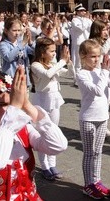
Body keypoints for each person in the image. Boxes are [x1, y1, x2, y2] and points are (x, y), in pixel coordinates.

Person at [0, 69, 67, 200]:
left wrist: (27, 105)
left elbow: (58, 145)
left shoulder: (24, 130)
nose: (11, 110)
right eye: (4, 105)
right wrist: (14, 109)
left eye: (13, 104)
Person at [76, 39, 110, 199]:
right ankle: (88, 184)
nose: (97, 60)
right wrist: (104, 72)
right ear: (83, 56)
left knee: (99, 151)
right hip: (88, 118)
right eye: (93, 56)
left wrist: (109, 71)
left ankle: (96, 180)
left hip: (103, 117)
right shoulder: (82, 74)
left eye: (98, 56)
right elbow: (97, 90)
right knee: (89, 152)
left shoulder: (100, 71)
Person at [30, 37, 70, 180]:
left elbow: (67, 74)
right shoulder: (35, 65)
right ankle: (45, 166)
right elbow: (47, 75)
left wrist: (69, 64)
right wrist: (62, 62)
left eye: (55, 51)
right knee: (43, 132)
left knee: (53, 131)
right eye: (52, 51)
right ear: (42, 52)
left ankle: (52, 164)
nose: (54, 53)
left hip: (53, 99)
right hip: (41, 100)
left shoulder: (52, 64)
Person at [0, 17, 34, 88]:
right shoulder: (3, 44)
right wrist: (22, 44)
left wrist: (30, 42)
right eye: (14, 30)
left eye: (19, 30)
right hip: (11, 79)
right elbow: (8, 57)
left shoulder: (21, 43)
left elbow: (34, 52)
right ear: (6, 30)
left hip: (23, 77)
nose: (17, 33)